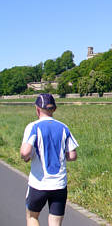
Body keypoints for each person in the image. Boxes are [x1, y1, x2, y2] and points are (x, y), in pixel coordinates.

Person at [20, 93, 79, 226]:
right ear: (54, 109)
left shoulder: (33, 126)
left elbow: (25, 152)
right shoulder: (64, 127)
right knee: (55, 222)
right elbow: (72, 155)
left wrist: (25, 158)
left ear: (37, 109)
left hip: (39, 184)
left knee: (32, 217)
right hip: (59, 184)